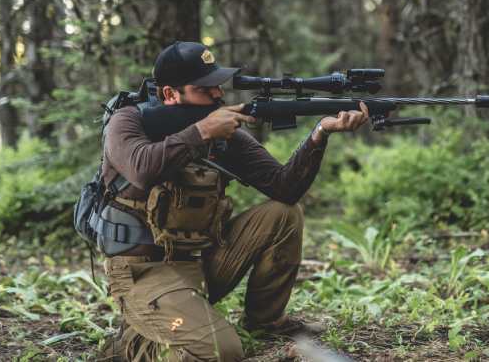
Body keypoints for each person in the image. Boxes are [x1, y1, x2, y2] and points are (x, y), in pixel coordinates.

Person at [98, 41, 369, 361]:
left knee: (284, 213)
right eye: (205, 89)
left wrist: (320, 132)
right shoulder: (128, 121)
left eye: (218, 86)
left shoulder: (219, 128)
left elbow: (284, 187)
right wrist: (201, 132)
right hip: (142, 272)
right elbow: (141, 169)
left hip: (198, 264)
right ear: (170, 95)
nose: (218, 96)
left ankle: (264, 322)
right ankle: (129, 346)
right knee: (222, 351)